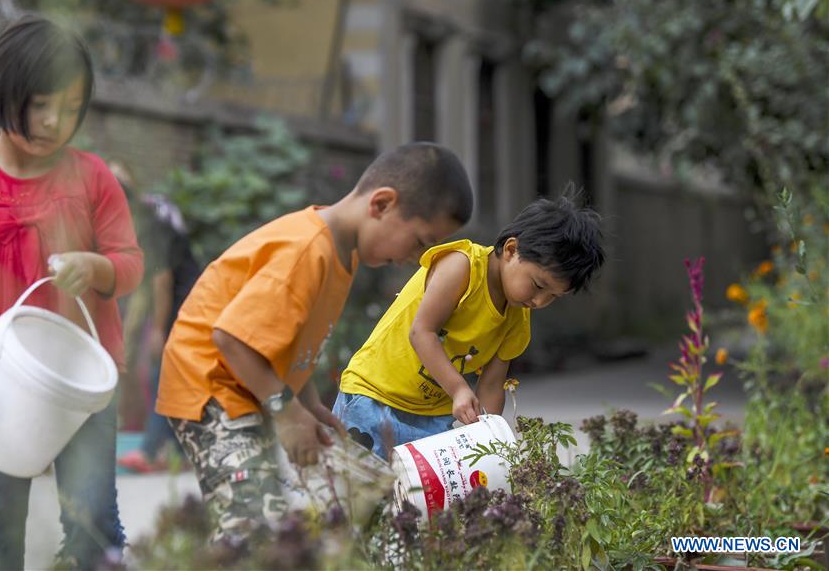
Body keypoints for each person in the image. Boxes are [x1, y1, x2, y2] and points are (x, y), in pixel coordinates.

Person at [155, 142, 473, 539]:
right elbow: (233, 340)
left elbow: (286, 343)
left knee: (273, 515)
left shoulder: (343, 254)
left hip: (247, 384)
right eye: (420, 241)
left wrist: (309, 405)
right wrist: (288, 414)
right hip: (210, 385)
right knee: (249, 520)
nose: (417, 256)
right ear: (382, 205)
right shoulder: (307, 250)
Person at [0, 15, 143, 570]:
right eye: (42, 104)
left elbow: (130, 263)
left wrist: (94, 266)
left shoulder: (93, 178)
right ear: (5, 94)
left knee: (93, 526)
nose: (55, 122)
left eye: (71, 109)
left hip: (84, 387)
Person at [333, 188, 606, 460]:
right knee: (355, 491)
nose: (540, 301)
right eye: (538, 285)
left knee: (419, 499)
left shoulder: (516, 317)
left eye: (554, 297)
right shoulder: (462, 267)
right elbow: (421, 332)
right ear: (511, 250)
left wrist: (487, 442)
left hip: (430, 420)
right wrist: (459, 389)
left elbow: (491, 387)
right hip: (372, 398)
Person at [115, 182, 201, 472]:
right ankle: (180, 450)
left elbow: (161, 282)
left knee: (160, 376)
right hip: (186, 301)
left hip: (187, 303)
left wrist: (158, 331)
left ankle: (151, 451)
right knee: (169, 375)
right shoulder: (149, 220)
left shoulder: (150, 226)